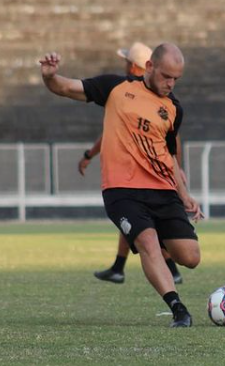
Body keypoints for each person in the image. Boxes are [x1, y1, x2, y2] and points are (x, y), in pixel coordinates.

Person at [40, 43, 202, 327]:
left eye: (176, 79)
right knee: (148, 242)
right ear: (149, 67)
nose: (170, 84)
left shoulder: (174, 108)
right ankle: (178, 309)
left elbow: (169, 154)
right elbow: (66, 88)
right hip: (122, 190)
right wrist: (50, 76)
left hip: (162, 189)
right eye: (166, 76)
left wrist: (184, 193)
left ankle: (147, 242)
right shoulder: (115, 87)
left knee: (190, 257)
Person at [77, 42, 183, 285]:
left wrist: (175, 172)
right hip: (133, 175)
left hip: (148, 173)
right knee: (135, 221)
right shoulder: (125, 91)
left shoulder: (150, 95)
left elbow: (171, 140)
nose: (123, 64)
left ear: (135, 66)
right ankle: (120, 267)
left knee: (148, 223)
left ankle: (169, 268)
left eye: (127, 61)